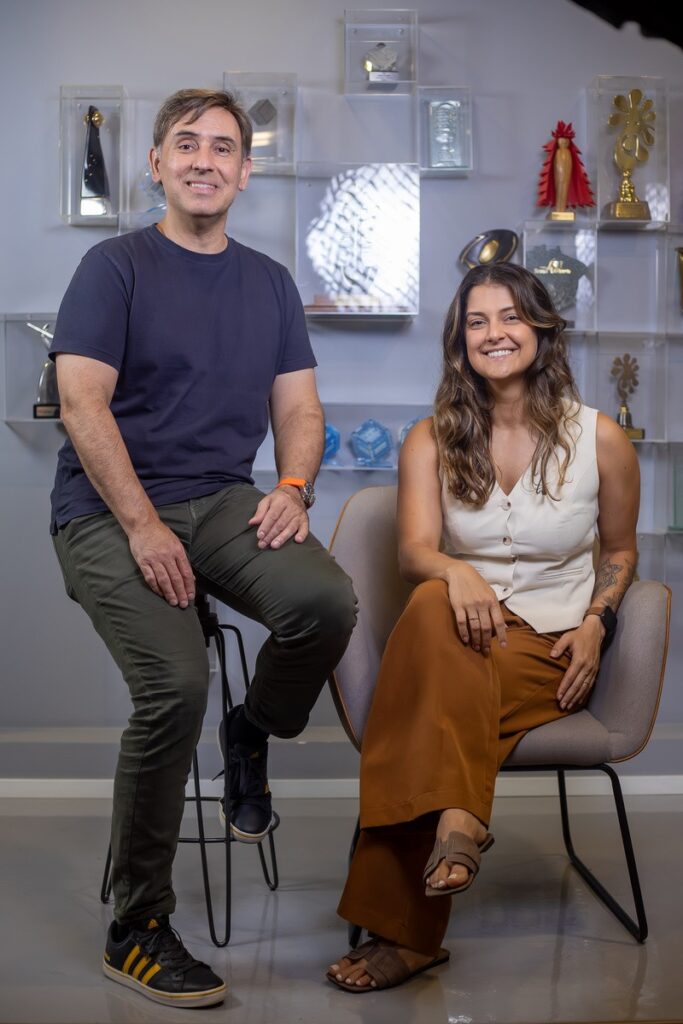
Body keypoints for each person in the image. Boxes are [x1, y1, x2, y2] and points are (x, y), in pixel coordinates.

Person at [49, 88, 357, 1009]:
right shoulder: (114, 267)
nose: (204, 160)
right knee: (176, 683)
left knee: (325, 603)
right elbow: (81, 404)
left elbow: (299, 410)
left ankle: (252, 731)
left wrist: (293, 490)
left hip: (224, 500)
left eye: (223, 147)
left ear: (244, 171)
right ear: (156, 164)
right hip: (107, 512)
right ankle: (135, 924)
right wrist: (142, 526)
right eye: (186, 144)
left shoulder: (266, 283)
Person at [327, 262, 639, 992]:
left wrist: (597, 623)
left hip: (548, 646)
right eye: (476, 322)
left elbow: (621, 551)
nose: (493, 333)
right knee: (435, 605)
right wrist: (455, 570)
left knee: (416, 705)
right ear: (458, 340)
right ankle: (460, 823)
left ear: (540, 328)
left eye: (509, 317)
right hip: (452, 634)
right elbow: (411, 553)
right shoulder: (428, 438)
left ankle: (405, 935)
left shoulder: (600, 438)